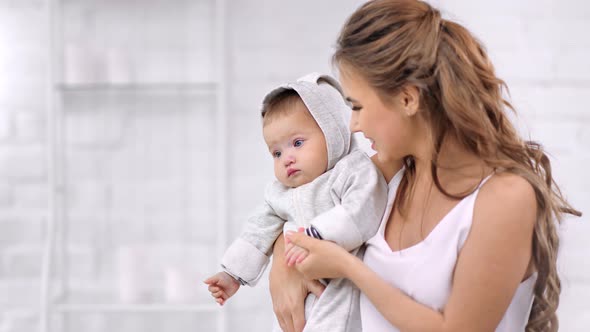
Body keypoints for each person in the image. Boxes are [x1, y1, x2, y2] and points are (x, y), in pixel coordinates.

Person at [271, 1, 582, 332]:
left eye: (358, 106)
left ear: (407, 99)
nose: (353, 125)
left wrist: (350, 268)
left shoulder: (505, 199)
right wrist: (282, 264)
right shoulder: (387, 174)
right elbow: (299, 204)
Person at [204, 73, 388, 331]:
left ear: (332, 133)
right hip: (295, 302)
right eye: (276, 152)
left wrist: (315, 237)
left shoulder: (352, 170)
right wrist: (232, 274)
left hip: (337, 290)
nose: (287, 158)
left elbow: (361, 211)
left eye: (297, 143)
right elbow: (256, 232)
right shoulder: (279, 193)